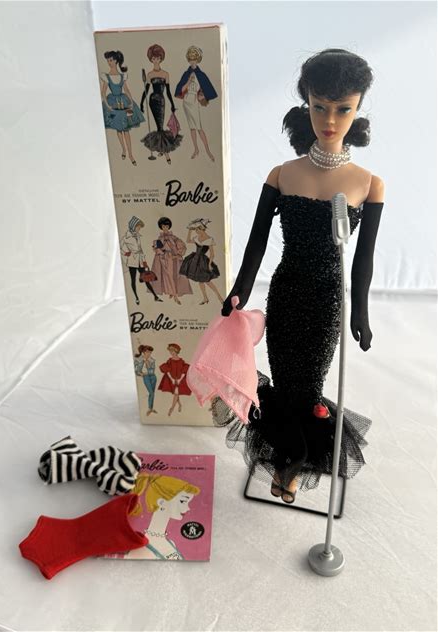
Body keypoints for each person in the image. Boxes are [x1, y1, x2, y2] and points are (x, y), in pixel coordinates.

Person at [212, 49, 384, 504]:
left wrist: (361, 313)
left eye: (343, 109)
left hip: (327, 299)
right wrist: (240, 289)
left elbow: (363, 260)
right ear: (306, 103)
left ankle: (294, 461)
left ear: (357, 108)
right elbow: (256, 242)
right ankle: (288, 458)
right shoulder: (282, 175)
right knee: (286, 382)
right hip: (286, 292)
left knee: (309, 386)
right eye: (320, 106)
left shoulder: (368, 184)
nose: (330, 119)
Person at [123, 474, 200, 560]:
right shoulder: (140, 549)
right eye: (183, 501)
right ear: (161, 502)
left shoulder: (171, 543)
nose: (188, 508)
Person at [99, 50, 144, 166]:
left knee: (126, 129)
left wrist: (131, 101)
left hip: (123, 102)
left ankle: (130, 154)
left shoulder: (122, 76)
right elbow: (103, 92)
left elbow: (126, 89)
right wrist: (107, 105)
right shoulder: (106, 76)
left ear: (116, 61)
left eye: (111, 60)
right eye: (108, 61)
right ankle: (123, 149)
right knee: (119, 129)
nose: (109, 62)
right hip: (113, 102)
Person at [139, 44, 182, 164]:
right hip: (152, 100)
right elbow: (146, 90)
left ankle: (163, 150)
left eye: (158, 58)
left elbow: (168, 91)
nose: (156, 60)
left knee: (161, 125)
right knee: (159, 126)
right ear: (151, 59)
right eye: (153, 58)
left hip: (161, 100)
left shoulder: (165, 74)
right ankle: (165, 152)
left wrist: (172, 104)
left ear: (161, 58)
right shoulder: (149, 74)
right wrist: (141, 103)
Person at [175, 46, 217, 161]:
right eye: (190, 59)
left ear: (198, 59)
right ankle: (196, 149)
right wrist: (189, 81)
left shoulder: (201, 75)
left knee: (199, 127)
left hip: (194, 102)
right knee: (192, 128)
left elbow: (207, 90)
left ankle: (208, 150)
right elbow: (181, 89)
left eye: (194, 59)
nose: (192, 61)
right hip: (186, 102)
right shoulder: (186, 74)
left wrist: (202, 96)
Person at [179, 218, 224, 305]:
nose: (196, 231)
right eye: (195, 230)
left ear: (202, 229)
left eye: (197, 230)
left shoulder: (209, 239)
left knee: (207, 281)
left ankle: (219, 297)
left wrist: (209, 264)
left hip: (203, 261)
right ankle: (205, 298)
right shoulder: (197, 238)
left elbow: (212, 254)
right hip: (195, 260)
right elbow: (188, 241)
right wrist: (189, 230)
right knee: (201, 281)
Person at [121, 215, 163, 304]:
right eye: (138, 227)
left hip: (140, 260)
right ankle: (136, 298)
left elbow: (141, 249)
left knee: (146, 278)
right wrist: (125, 253)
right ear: (134, 226)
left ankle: (155, 296)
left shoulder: (138, 236)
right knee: (133, 280)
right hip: (132, 261)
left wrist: (144, 261)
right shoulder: (126, 237)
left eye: (140, 227)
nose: (139, 228)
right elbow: (120, 247)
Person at [150, 217, 193, 304]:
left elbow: (182, 247)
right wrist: (161, 252)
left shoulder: (174, 238)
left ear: (169, 226)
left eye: (166, 226)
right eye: (163, 226)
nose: (165, 228)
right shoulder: (159, 239)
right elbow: (156, 249)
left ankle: (174, 294)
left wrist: (177, 255)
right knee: (166, 277)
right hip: (162, 260)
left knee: (172, 276)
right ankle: (172, 293)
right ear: (161, 227)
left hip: (172, 260)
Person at [134, 344, 158, 416]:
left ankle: (150, 408)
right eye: (147, 352)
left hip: (153, 377)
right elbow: (136, 370)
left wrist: (147, 362)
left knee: (152, 394)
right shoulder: (139, 360)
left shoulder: (152, 360)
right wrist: (141, 374)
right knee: (151, 393)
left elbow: (152, 371)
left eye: (150, 352)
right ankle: (149, 409)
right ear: (143, 352)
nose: (149, 353)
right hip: (146, 377)